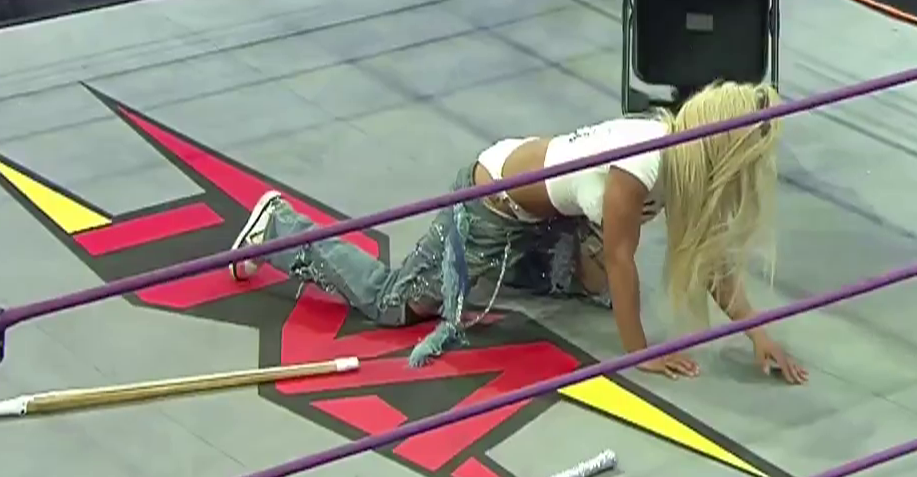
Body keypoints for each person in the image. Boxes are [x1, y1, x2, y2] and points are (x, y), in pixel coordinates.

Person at [231, 81, 808, 383]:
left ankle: (512, 272)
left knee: (595, 287)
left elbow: (709, 257)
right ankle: (279, 227)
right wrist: (639, 353)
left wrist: (757, 334)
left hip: (552, 216)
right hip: (490, 205)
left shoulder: (681, 156)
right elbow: (622, 257)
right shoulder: (644, 163)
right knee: (395, 304)